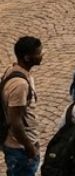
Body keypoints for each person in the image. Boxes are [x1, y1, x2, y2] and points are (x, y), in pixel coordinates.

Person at [2, 36, 42, 176]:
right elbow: (15, 121)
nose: (41, 55)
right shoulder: (20, 85)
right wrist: (29, 146)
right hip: (19, 150)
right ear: (27, 57)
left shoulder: (12, 70)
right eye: (38, 53)